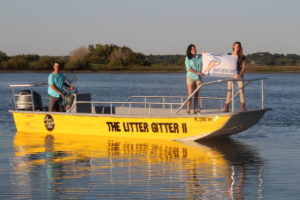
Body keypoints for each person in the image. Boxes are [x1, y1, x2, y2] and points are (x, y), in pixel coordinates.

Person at [224, 41, 246, 112]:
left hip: (239, 74)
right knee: (229, 90)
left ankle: (243, 106)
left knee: (241, 90)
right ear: (233, 46)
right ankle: (226, 106)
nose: (236, 47)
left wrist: (240, 74)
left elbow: (243, 67)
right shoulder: (229, 55)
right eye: (235, 46)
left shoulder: (242, 56)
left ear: (239, 47)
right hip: (230, 75)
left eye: (237, 46)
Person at [185, 44, 204, 114]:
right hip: (190, 77)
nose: (194, 50)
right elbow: (188, 68)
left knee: (196, 94)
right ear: (190, 51)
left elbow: (208, 60)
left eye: (195, 48)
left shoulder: (200, 57)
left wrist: (205, 54)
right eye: (192, 49)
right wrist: (197, 72)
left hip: (198, 78)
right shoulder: (188, 58)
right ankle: (188, 109)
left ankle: (195, 109)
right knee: (190, 93)